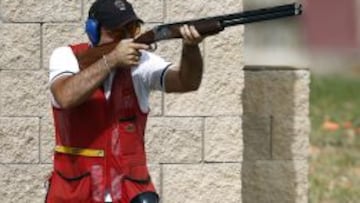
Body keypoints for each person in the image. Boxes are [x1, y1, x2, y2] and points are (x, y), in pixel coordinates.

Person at [45, 0, 204, 202]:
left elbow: (186, 82)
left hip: (128, 191)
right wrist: (111, 60)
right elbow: (65, 96)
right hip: (76, 192)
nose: (126, 38)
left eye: (131, 29)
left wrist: (190, 48)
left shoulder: (141, 61)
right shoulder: (67, 56)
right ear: (92, 30)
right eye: (117, 32)